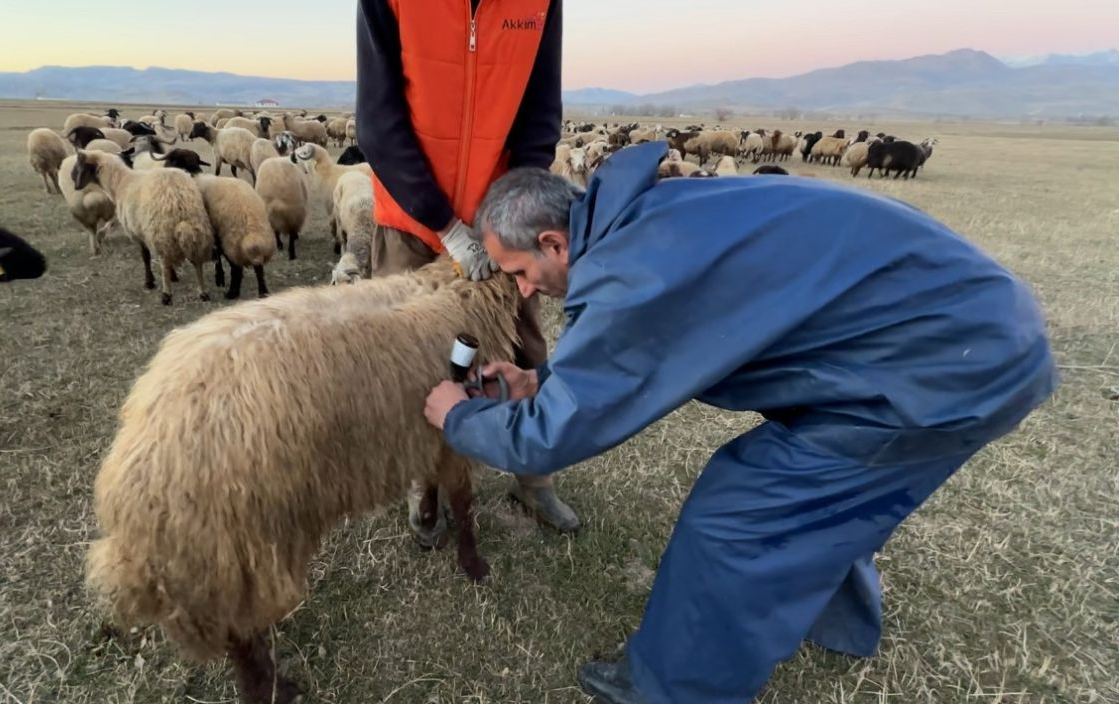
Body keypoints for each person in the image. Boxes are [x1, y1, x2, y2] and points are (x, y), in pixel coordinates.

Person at [423, 142, 1058, 704]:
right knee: (832, 500)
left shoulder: (633, 270)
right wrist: (539, 383)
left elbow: (557, 432)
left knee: (741, 517)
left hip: (941, 369)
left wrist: (461, 416)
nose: (526, 291)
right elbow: (635, 361)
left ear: (555, 243)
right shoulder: (651, 219)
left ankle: (674, 690)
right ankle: (832, 623)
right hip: (971, 333)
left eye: (520, 273)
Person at [356, 0, 580, 540]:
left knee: (523, 344)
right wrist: (443, 222)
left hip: (497, 218)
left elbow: (539, 112)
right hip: (410, 216)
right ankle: (424, 479)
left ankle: (534, 474)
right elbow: (378, 121)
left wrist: (505, 215)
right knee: (410, 357)